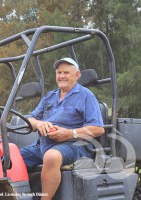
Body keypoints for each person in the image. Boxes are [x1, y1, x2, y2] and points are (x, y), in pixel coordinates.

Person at [20, 57, 105, 200]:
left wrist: (69, 133)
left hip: (74, 145)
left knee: (52, 156)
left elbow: (98, 128)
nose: (61, 76)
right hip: (43, 144)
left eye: (66, 72)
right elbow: (30, 120)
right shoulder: (50, 96)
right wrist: (39, 124)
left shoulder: (85, 95)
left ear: (77, 75)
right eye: (59, 72)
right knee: (11, 159)